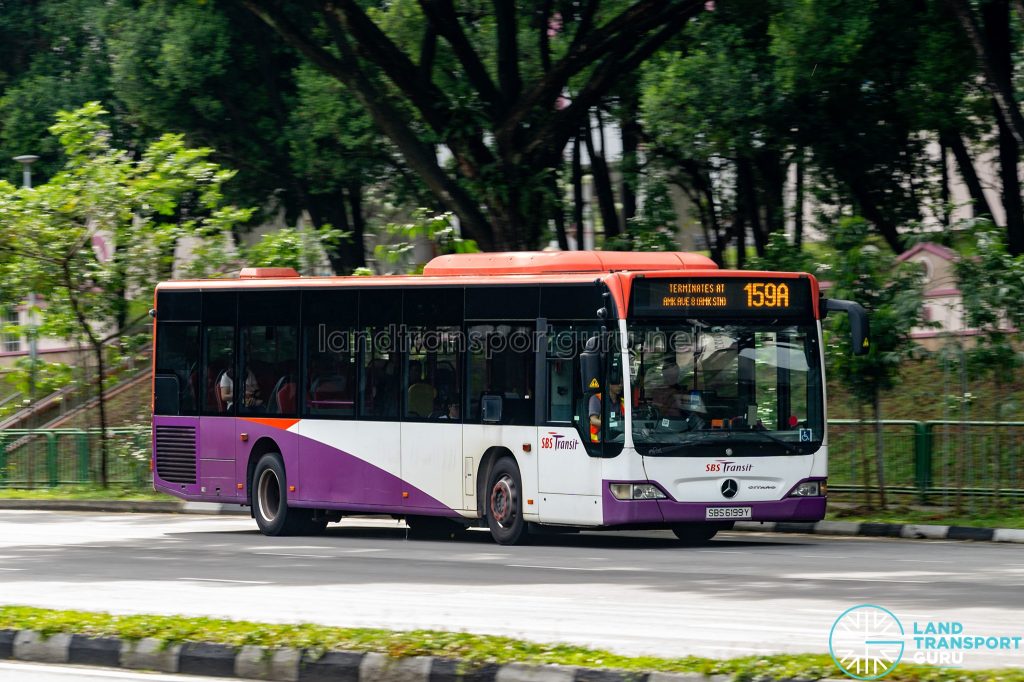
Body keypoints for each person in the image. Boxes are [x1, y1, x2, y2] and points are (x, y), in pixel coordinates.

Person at [588, 378, 625, 443]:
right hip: (599, 440)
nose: (620, 385)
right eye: (618, 383)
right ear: (609, 384)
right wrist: (611, 424)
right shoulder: (596, 398)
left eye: (622, 383)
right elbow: (593, 420)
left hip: (619, 438)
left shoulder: (622, 401)